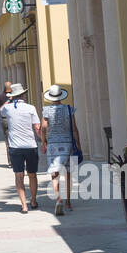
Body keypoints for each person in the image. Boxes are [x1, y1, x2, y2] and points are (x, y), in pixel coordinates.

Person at [0, 83, 41, 213]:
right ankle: (33, 200)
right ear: (23, 94)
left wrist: (9, 99)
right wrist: (43, 141)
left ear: (12, 96)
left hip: (15, 146)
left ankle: (24, 205)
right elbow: (37, 127)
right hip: (30, 145)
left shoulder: (9, 108)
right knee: (32, 175)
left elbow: (0, 110)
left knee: (19, 175)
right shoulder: (31, 108)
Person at [40, 84, 81, 215]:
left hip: (53, 144)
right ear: (61, 96)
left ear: (51, 97)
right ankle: (68, 202)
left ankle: (58, 199)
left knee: (55, 172)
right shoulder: (69, 109)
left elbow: (44, 127)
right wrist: (78, 144)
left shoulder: (46, 110)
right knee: (68, 172)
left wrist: (43, 141)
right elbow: (74, 128)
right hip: (67, 143)